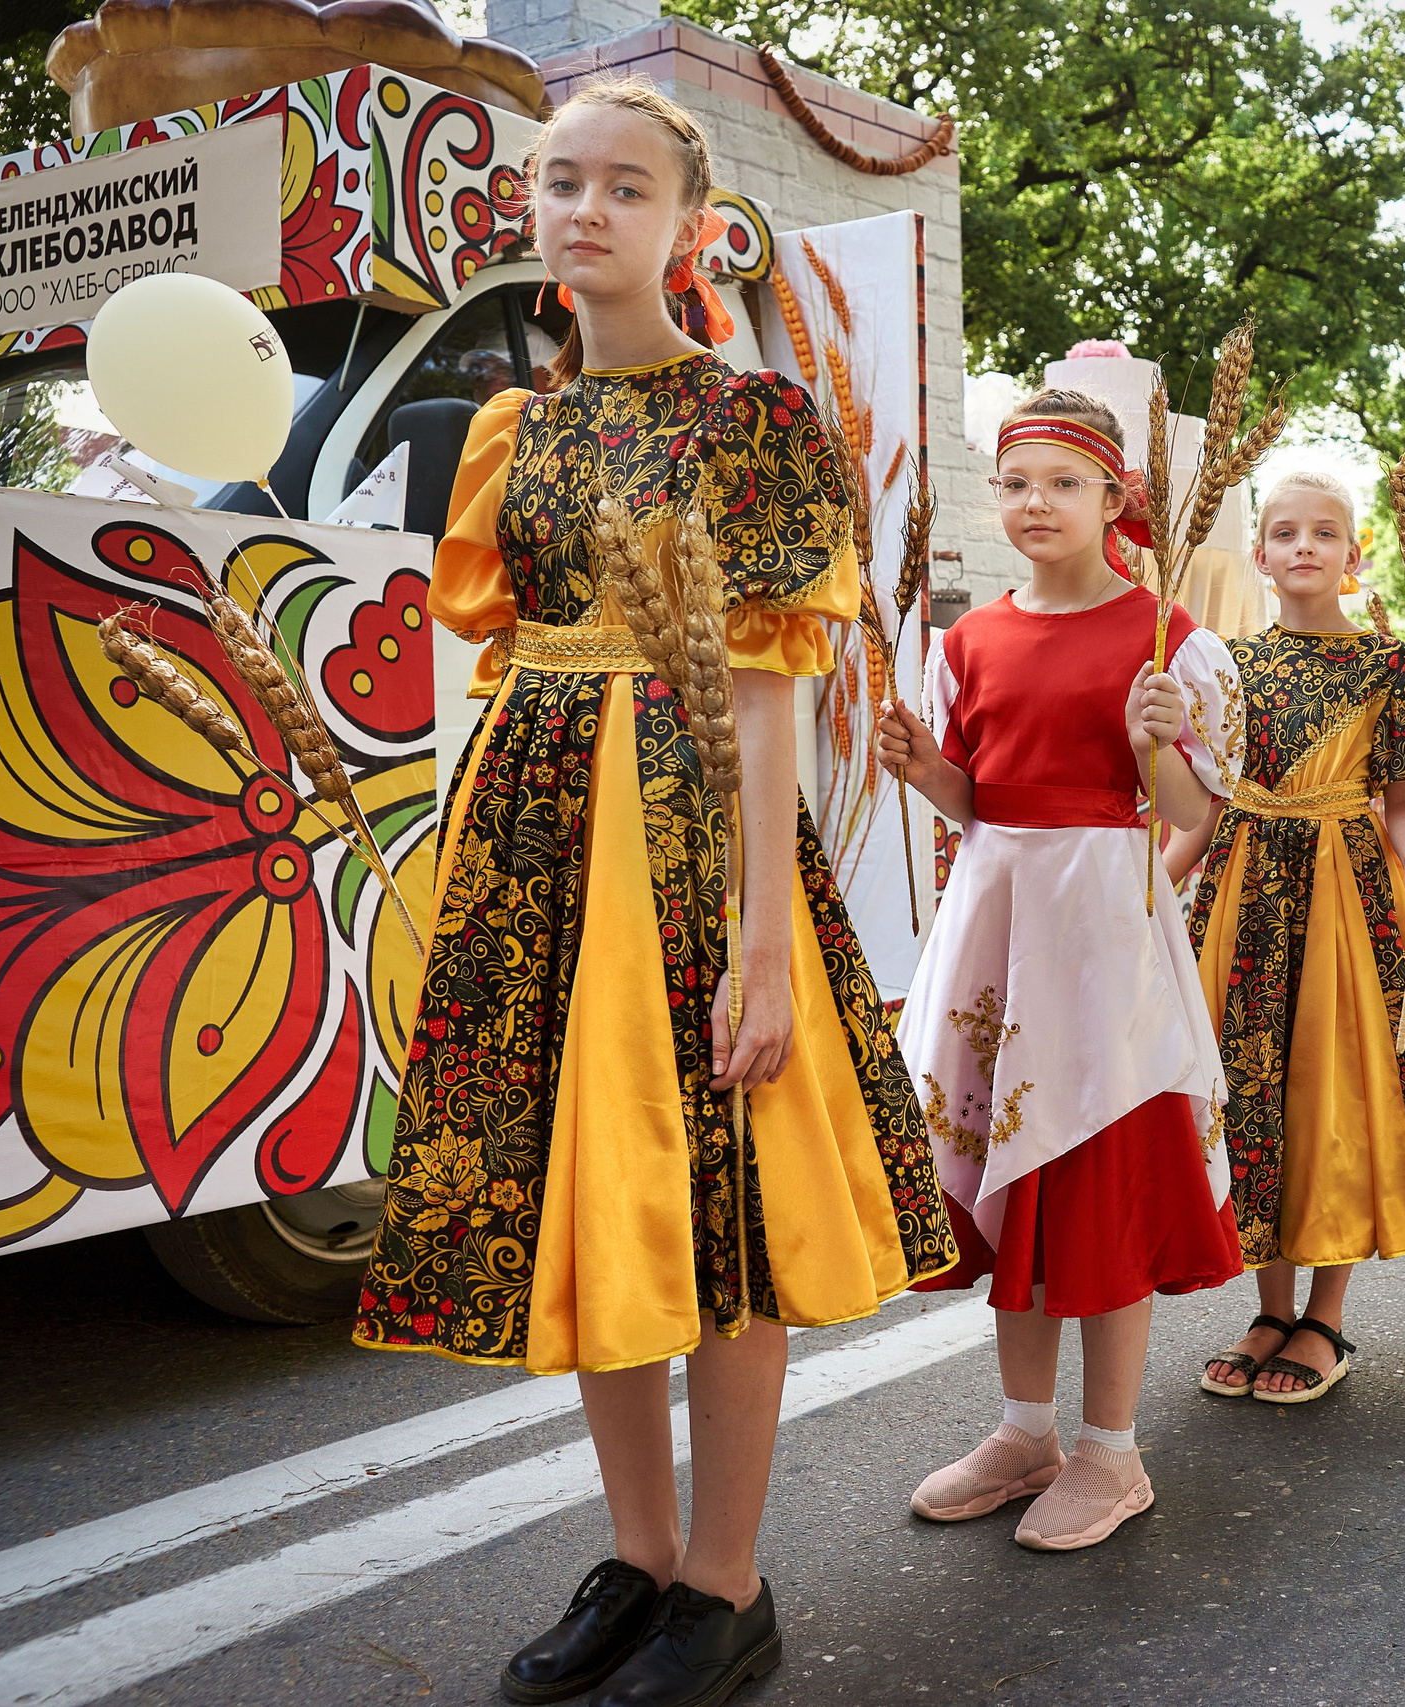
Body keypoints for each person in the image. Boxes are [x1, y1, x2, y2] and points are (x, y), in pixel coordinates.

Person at [354, 78, 954, 1707]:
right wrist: (455, 877)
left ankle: (724, 1582)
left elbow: (772, 696)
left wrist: (768, 945)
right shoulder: (508, 432)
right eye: (563, 181)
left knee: (723, 1208)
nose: (588, 207)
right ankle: (634, 1556)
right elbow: (484, 672)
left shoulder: (751, 417)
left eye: (627, 186)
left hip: (695, 840)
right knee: (588, 1195)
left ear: (690, 226)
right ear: (531, 209)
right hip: (541, 843)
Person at [873, 387, 1243, 1551]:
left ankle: (1112, 1453)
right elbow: (980, 800)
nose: (1037, 504)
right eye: (1017, 483)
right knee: (1003, 1181)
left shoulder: (1167, 639)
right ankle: (1025, 1431)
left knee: (1096, 1183)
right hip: (992, 926)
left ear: (1114, 499)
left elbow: (1190, 807)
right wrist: (926, 769)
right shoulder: (966, 640)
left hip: (1099, 938)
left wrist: (1154, 739)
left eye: (1064, 483)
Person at [1170, 470, 1405, 1398]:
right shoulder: (1225, 662)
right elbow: (1208, 800)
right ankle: (1271, 1308)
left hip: (1348, 895)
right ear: (1261, 555)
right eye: (1283, 532)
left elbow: (1404, 803)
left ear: (1355, 557)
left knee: (1332, 1085)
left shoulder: (1402, 667)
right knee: (1248, 1086)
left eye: (1324, 533)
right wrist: (1150, 885)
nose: (1302, 546)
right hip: (1242, 885)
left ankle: (1326, 1317)